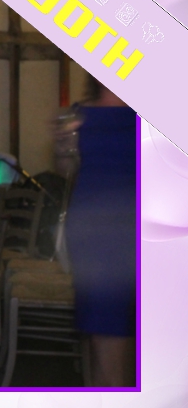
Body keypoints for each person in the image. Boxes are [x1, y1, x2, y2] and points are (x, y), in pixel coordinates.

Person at [56, 79, 136, 386]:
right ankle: (103, 405)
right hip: (88, 231)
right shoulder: (80, 113)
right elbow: (67, 170)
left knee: (114, 331)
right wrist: (63, 146)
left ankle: (116, 406)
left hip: (128, 229)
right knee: (98, 331)